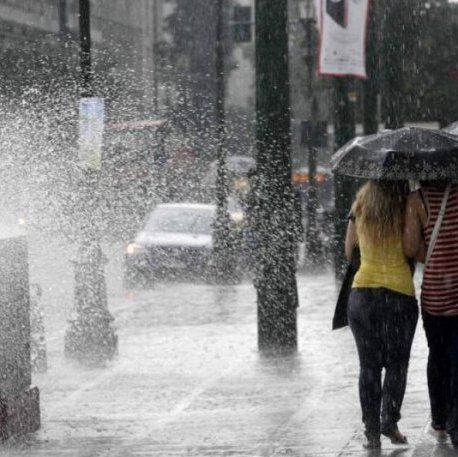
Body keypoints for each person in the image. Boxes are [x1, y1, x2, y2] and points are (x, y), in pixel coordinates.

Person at [345, 180, 418, 450]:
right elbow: (411, 249)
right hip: (398, 295)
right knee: (397, 365)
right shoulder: (407, 204)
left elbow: (348, 250)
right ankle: (390, 419)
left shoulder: (360, 204)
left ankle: (372, 433)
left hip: (362, 296)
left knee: (368, 366)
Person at [403, 180, 458, 445]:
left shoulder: (417, 199)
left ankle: (440, 421)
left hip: (435, 294)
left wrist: (433, 254)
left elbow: (412, 248)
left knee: (438, 355)